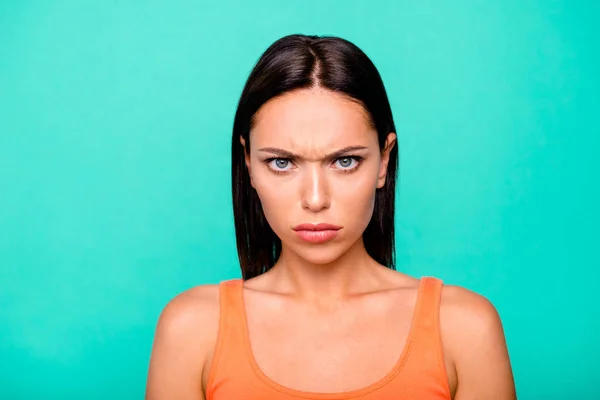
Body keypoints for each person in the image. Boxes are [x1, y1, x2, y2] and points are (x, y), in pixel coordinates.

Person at [145, 34, 516, 400]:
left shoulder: (464, 329)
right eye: (282, 162)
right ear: (248, 163)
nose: (316, 199)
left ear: (384, 160)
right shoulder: (191, 331)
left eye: (345, 161)